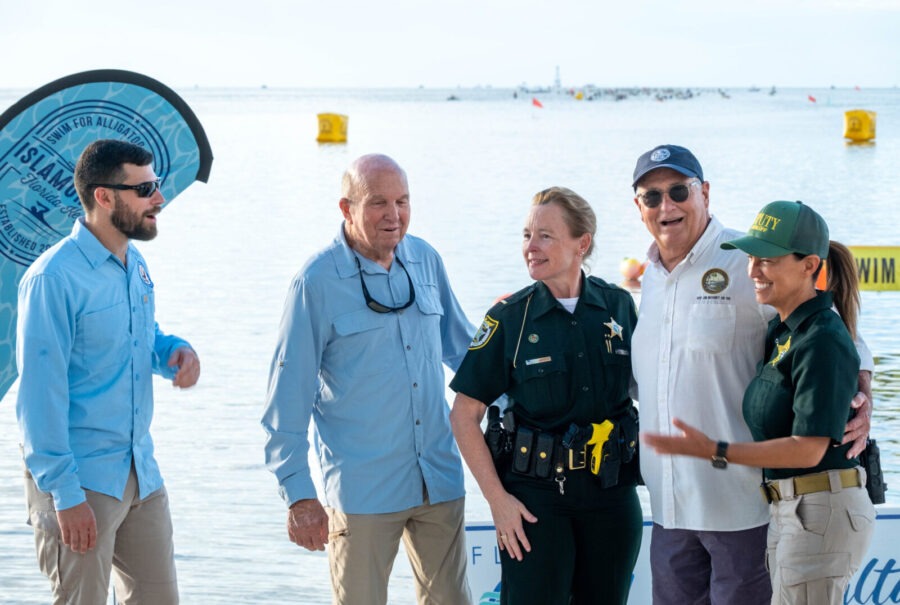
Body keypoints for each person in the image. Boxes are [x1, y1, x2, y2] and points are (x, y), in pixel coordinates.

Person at [629, 144, 874, 605]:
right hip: (669, 509)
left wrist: (862, 401)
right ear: (638, 207)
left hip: (744, 509)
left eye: (679, 190)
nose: (667, 205)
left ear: (704, 192)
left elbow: (839, 338)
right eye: (652, 196)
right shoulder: (650, 279)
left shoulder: (749, 261)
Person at [261, 154, 473, 605]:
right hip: (362, 492)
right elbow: (287, 398)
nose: (394, 216)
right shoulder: (314, 282)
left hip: (438, 479)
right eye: (378, 202)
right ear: (346, 208)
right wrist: (299, 495)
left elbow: (466, 352)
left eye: (402, 201)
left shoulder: (426, 259)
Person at [16, 139, 201, 604]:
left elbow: (140, 335)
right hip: (81, 485)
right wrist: (65, 494)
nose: (158, 198)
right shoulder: (51, 280)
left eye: (155, 185)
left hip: (141, 474)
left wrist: (173, 351)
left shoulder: (132, 261)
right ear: (104, 197)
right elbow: (40, 400)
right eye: (144, 189)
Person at [449, 187, 642, 605]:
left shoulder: (619, 307)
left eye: (545, 236)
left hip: (611, 497)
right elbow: (464, 416)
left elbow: (653, 389)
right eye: (525, 235)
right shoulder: (509, 319)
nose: (530, 248)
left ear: (581, 243)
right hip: (534, 503)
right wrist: (498, 502)